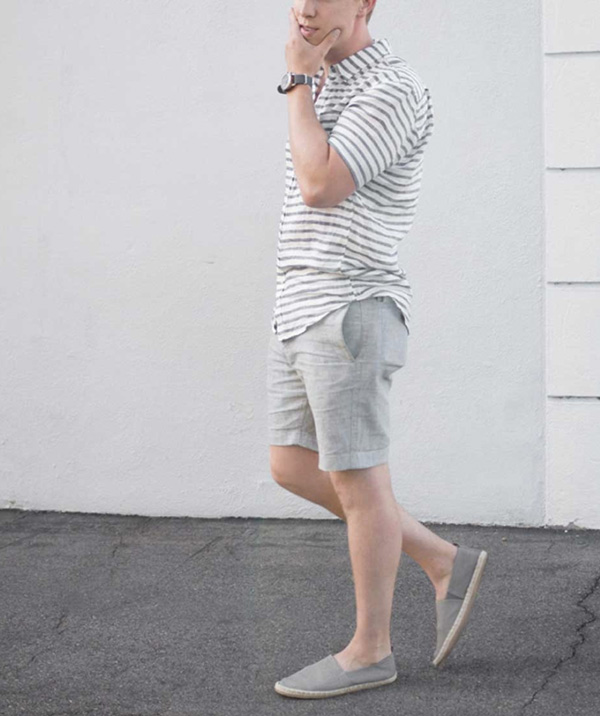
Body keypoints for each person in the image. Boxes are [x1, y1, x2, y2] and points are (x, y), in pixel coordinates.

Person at [267, 0, 488, 699]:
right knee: (291, 467)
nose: (305, 7)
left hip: (350, 307)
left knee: (362, 488)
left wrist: (297, 85)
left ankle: (371, 651)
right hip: (300, 305)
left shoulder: (391, 87)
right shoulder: (324, 80)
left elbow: (320, 185)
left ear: (364, 3)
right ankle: (442, 558)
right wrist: (307, 84)